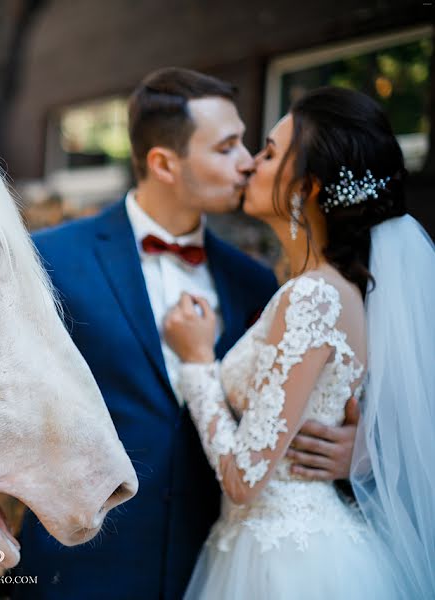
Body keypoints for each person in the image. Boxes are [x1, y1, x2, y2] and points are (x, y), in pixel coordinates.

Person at [12, 69, 358, 599]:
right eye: (226, 147)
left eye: (247, 142)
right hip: (81, 568)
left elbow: (301, 399)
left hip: (215, 567)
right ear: (164, 163)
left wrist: (356, 451)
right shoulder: (51, 259)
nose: (247, 160)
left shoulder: (256, 282)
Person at [164, 85, 434, 598]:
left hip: (288, 561)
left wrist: (198, 362)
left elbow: (245, 477)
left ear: (304, 187)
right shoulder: (329, 289)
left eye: (267, 153)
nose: (250, 165)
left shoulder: (313, 296)